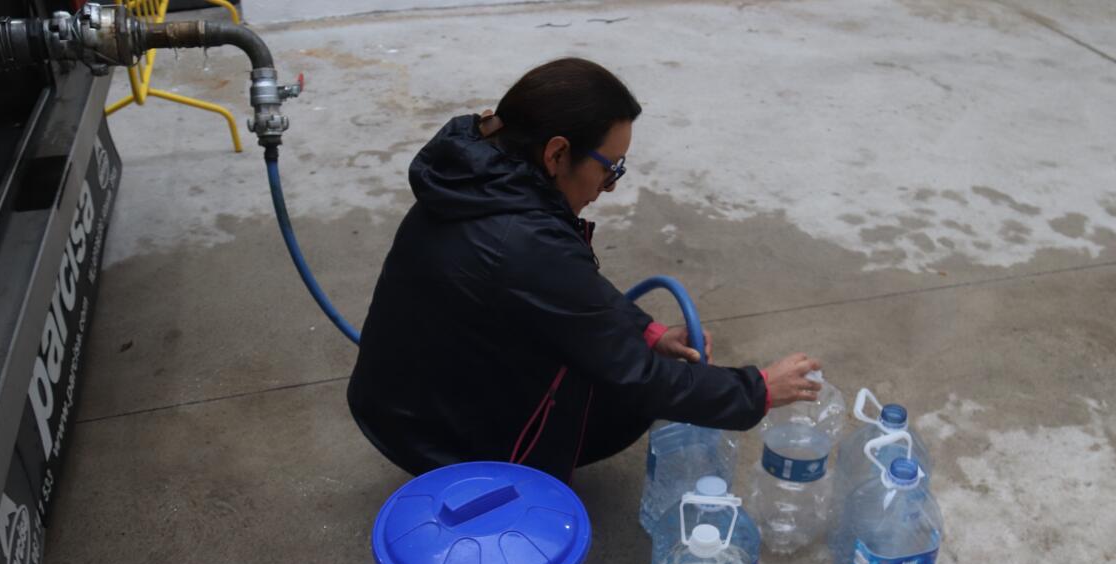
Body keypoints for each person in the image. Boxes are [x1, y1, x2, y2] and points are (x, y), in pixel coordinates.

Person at [348, 57, 823, 482]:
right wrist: (757, 391)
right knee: (627, 397)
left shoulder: (475, 176)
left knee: (614, 361)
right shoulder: (523, 240)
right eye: (609, 167)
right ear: (556, 154)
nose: (609, 186)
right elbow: (638, 376)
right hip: (440, 443)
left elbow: (568, 295)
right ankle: (502, 477)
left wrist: (649, 330)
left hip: (401, 405)